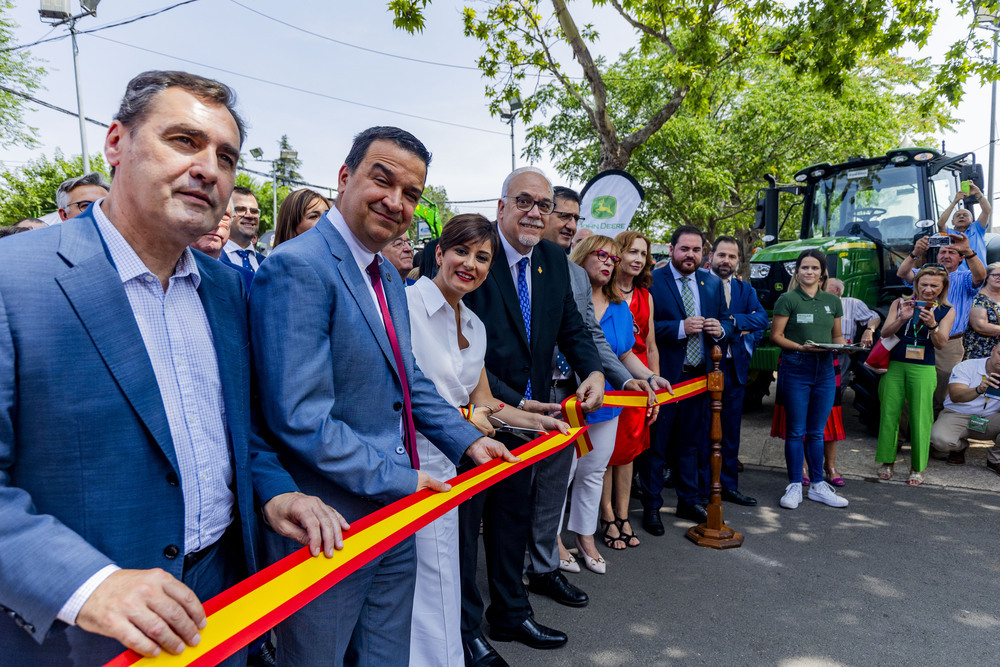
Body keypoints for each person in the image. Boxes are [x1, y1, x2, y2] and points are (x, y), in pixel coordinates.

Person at [0, 70, 344, 665]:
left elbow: (242, 433)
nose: (210, 168)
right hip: (79, 634)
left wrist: (275, 494)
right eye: (184, 141)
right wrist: (88, 585)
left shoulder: (229, 290)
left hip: (224, 600)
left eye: (227, 156)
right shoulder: (14, 279)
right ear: (116, 142)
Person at [249, 126, 515, 666]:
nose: (396, 202)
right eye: (383, 179)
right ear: (345, 178)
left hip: (395, 516)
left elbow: (409, 381)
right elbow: (299, 417)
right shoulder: (298, 267)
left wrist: (467, 442)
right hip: (328, 524)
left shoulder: (387, 277)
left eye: (412, 193)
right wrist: (398, 478)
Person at [406, 213, 568, 667]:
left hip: (464, 462)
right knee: (425, 579)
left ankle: (459, 644)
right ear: (438, 253)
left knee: (452, 564)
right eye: (461, 251)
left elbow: (485, 402)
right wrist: (466, 421)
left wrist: (538, 422)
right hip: (418, 465)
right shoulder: (405, 306)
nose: (470, 265)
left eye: (482, 257)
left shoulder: (475, 325)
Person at [459, 167, 606, 666]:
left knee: (512, 517)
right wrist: (511, 404)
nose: (535, 212)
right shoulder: (474, 253)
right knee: (465, 528)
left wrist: (593, 372)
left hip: (531, 416)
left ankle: (510, 612)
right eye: (524, 201)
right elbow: (459, 350)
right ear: (501, 205)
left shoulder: (550, 258)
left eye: (544, 205)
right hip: (475, 415)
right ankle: (463, 630)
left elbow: (573, 327)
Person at [527, 186, 659, 603]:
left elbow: (593, 340)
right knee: (533, 485)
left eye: (573, 216)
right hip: (520, 397)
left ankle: (552, 558)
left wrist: (625, 380)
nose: (567, 223)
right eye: (559, 214)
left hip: (576, 395)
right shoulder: (521, 262)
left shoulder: (581, 284)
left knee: (571, 478)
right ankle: (533, 562)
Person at [562, 234, 660, 573]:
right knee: (563, 474)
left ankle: (585, 537)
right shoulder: (565, 295)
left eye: (612, 258)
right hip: (569, 402)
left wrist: (648, 378)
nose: (608, 262)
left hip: (610, 404)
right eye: (601, 255)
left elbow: (622, 352)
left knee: (593, 472)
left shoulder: (619, 304)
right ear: (583, 254)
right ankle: (553, 541)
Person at [638, 225, 733, 533]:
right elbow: (644, 328)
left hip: (700, 379)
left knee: (691, 444)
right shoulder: (654, 281)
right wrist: (680, 327)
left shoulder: (711, 283)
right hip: (665, 378)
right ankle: (652, 506)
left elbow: (726, 322)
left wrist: (720, 330)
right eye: (684, 249)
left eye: (696, 250)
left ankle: (687, 500)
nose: (690, 255)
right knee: (657, 446)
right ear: (672, 250)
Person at [770, 249, 850, 509]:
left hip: (825, 368)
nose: (809, 272)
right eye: (805, 267)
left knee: (817, 432)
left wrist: (846, 345)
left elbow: (837, 335)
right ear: (798, 270)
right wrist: (800, 348)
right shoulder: (788, 299)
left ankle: (817, 485)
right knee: (796, 431)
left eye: (815, 268)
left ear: (822, 272)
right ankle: (794, 484)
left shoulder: (832, 300)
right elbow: (777, 336)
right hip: (796, 366)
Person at [600, 229, 660, 550]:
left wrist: (656, 388)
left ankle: (623, 515)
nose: (638, 259)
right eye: (632, 252)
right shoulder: (601, 292)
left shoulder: (646, 296)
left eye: (643, 253)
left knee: (628, 453)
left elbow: (651, 347)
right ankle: (607, 516)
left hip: (640, 382)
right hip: (609, 382)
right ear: (617, 254)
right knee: (605, 455)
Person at [875, 265, 954, 484]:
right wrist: (902, 318)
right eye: (924, 284)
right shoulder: (899, 303)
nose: (928, 289)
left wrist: (932, 325)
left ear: (942, 287)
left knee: (921, 416)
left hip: (923, 368)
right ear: (916, 284)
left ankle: (917, 467)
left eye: (934, 286)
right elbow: (884, 333)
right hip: (895, 365)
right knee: (890, 414)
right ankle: (887, 461)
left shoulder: (946, 309)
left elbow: (940, 344)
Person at [708, 235, 767, 504]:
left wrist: (731, 320)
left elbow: (762, 319)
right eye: (722, 255)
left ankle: (728, 485)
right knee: (701, 429)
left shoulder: (746, 290)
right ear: (711, 257)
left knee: (730, 432)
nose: (726, 261)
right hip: (705, 368)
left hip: (735, 369)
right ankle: (699, 485)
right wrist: (737, 327)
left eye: (732, 257)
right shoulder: (702, 284)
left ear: (738, 262)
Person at [897, 233, 985, 410]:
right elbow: (903, 273)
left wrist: (968, 250)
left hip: (949, 345)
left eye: (952, 252)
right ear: (937, 255)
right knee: (911, 390)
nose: (946, 255)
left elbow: (980, 277)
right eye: (943, 251)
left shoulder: (965, 278)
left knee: (941, 391)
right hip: (919, 339)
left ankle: (932, 433)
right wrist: (915, 253)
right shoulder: (925, 275)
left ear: (961, 258)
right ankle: (906, 434)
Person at [930, 340, 1000, 470]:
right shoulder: (968, 366)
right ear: (993, 350)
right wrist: (979, 389)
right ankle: (960, 447)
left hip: (990, 418)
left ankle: (995, 459)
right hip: (957, 414)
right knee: (939, 441)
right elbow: (956, 396)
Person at [936, 182, 992, 266]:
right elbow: (940, 224)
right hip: (956, 275)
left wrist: (978, 193)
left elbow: (987, 210)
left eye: (965, 215)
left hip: (979, 275)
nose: (961, 217)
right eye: (957, 215)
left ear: (972, 219)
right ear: (952, 222)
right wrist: (955, 201)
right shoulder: (948, 233)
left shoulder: (977, 228)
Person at [963, 262, 1000, 360]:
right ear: (987, 277)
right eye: (996, 275)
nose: (999, 278)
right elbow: (980, 326)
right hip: (980, 349)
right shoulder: (978, 297)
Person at [223, 185, 261, 271]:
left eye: (254, 211)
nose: (250, 215)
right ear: (226, 213)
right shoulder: (212, 258)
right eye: (240, 209)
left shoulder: (267, 263)